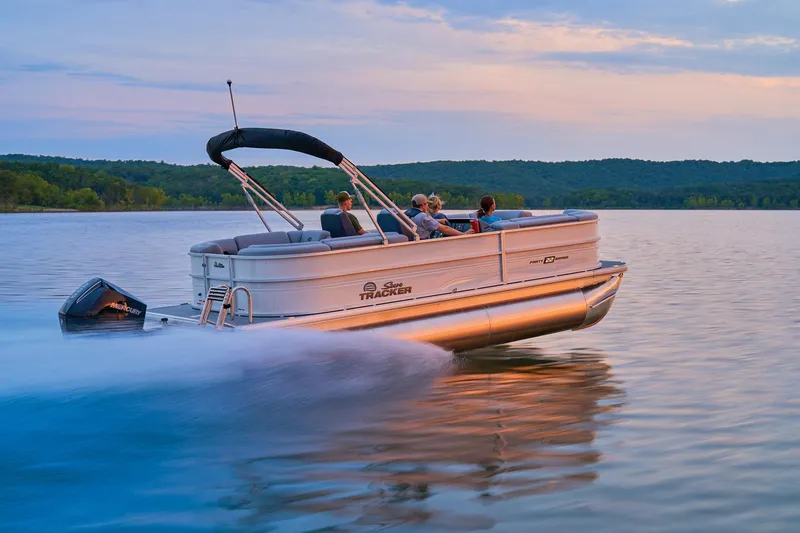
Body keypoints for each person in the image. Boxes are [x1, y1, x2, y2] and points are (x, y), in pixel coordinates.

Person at [406, 193, 473, 240]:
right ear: (423, 205)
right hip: (423, 242)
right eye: (426, 203)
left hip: (412, 240)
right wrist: (464, 234)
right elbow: (445, 229)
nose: (427, 205)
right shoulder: (423, 216)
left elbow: (420, 223)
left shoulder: (407, 213)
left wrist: (437, 221)